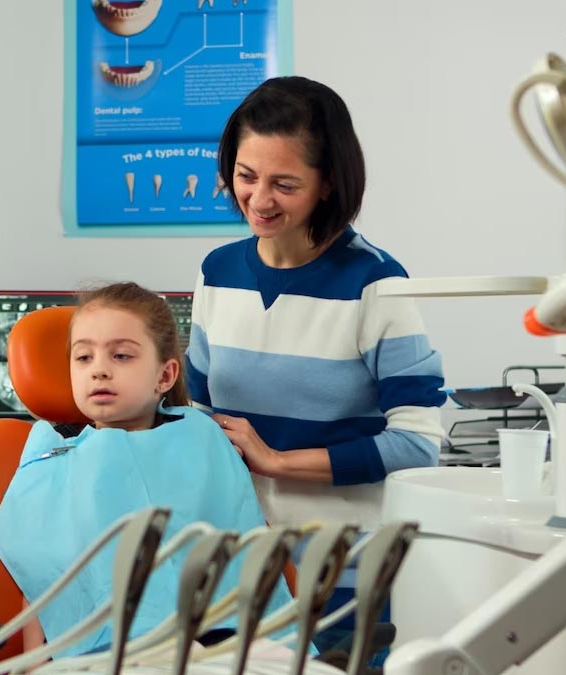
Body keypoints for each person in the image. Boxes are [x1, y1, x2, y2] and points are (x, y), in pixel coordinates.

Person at [186, 76, 446, 657]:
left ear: (328, 183)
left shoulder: (375, 283)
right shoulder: (216, 272)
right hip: (238, 569)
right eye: (246, 176)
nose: (259, 200)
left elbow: (418, 443)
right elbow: (199, 415)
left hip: (342, 573)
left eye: (285, 184)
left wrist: (278, 461)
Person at [0, 282, 294, 659]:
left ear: (165, 376)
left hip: (215, 642)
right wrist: (34, 665)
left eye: (121, 356)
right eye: (83, 357)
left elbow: (245, 559)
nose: (99, 370)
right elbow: (40, 577)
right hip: (98, 653)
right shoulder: (51, 457)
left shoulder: (202, 441)